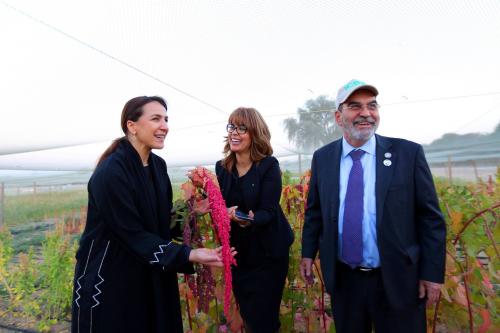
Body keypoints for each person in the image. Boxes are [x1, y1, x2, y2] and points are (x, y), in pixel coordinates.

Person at [71, 96, 232, 333]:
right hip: (112, 278)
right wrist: (189, 254)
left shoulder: (158, 166)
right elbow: (132, 233)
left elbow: (157, 221)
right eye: (155, 118)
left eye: (166, 119)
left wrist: (189, 212)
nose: (164, 126)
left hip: (147, 271)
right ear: (132, 125)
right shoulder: (111, 173)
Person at [300, 80, 446, 333]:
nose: (366, 113)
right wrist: (307, 252)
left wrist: (432, 273)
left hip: (398, 278)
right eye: (355, 106)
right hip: (345, 280)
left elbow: (429, 218)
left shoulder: (407, 154)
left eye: (372, 106)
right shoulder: (323, 158)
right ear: (338, 116)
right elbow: (315, 211)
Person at [215, 107, 294, 333]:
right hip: (241, 253)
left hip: (269, 252)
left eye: (242, 128)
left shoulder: (268, 165)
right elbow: (219, 205)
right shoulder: (221, 168)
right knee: (249, 313)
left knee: (265, 318)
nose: (234, 133)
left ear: (255, 133)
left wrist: (245, 218)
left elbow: (268, 211)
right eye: (232, 127)